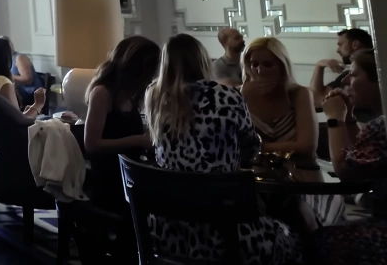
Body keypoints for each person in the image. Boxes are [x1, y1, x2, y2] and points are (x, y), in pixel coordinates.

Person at [145, 34, 300, 264]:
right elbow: (251, 148)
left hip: (168, 230)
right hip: (224, 230)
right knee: (292, 237)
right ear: (202, 61)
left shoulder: (154, 98)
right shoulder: (227, 96)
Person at [313, 49, 387, 265]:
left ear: (379, 79)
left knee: (320, 240)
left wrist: (334, 118)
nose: (346, 80)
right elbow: (360, 155)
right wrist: (349, 118)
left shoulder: (385, 125)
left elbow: (346, 172)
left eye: (354, 74)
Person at [82, 35, 160, 210]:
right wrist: (138, 140)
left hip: (130, 172)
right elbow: (91, 144)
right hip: (112, 178)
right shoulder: (102, 93)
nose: (150, 79)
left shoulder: (130, 94)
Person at [239, 36, 316, 158]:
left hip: (298, 170)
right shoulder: (239, 95)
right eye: (254, 64)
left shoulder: (298, 94)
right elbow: (229, 144)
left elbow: (307, 147)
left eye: (267, 64)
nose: (260, 70)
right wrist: (241, 99)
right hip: (251, 170)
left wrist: (257, 147)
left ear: (282, 67)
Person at [0, 37, 45, 117]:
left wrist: (27, 111)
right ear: (6, 58)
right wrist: (38, 104)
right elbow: (19, 121)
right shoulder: (3, 83)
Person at [310, 27, 372, 100]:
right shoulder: (346, 75)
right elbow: (316, 99)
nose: (338, 50)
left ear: (355, 44)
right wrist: (320, 65)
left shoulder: (375, 66)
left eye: (340, 45)